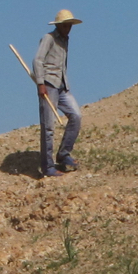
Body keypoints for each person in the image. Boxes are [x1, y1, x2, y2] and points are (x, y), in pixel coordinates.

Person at [33, 10, 83, 178]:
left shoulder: (65, 40)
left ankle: (63, 154)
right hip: (48, 85)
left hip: (62, 86)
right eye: (65, 26)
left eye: (70, 26)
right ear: (59, 26)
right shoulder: (49, 38)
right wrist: (41, 83)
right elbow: (38, 60)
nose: (68, 29)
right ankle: (48, 167)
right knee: (48, 127)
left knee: (76, 116)